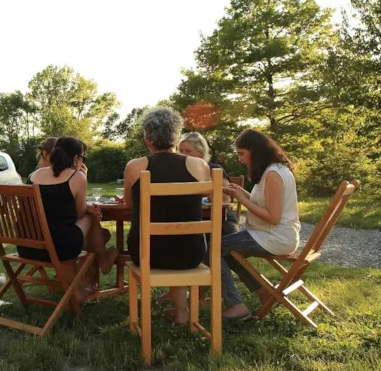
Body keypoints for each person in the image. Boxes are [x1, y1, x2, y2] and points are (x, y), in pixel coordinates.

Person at [123, 107, 211, 324]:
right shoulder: (199, 165)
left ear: (147, 140)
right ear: (176, 137)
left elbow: (130, 204)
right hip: (190, 254)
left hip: (146, 253)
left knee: (162, 239)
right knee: (177, 238)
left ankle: (176, 310)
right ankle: (182, 311)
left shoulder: (135, 167)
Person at [19, 136, 118, 302]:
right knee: (90, 215)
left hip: (27, 247)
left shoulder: (34, 175)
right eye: (83, 158)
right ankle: (102, 258)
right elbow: (79, 213)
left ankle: (91, 271)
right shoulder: (76, 177)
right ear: (76, 158)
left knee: (85, 215)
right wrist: (88, 206)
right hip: (59, 249)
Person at [216, 129, 301, 320]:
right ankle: (263, 292)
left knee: (213, 248)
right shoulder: (274, 170)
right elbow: (265, 205)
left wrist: (241, 199)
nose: (240, 159)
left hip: (275, 236)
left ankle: (235, 305)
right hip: (272, 234)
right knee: (226, 250)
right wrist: (242, 193)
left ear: (255, 151)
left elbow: (273, 217)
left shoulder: (273, 174)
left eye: (241, 154)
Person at [179, 132, 240, 234]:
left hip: (221, 217)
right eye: (180, 151)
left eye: (188, 151)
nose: (183, 155)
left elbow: (224, 199)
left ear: (201, 153)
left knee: (228, 229)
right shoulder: (179, 172)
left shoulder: (214, 169)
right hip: (192, 217)